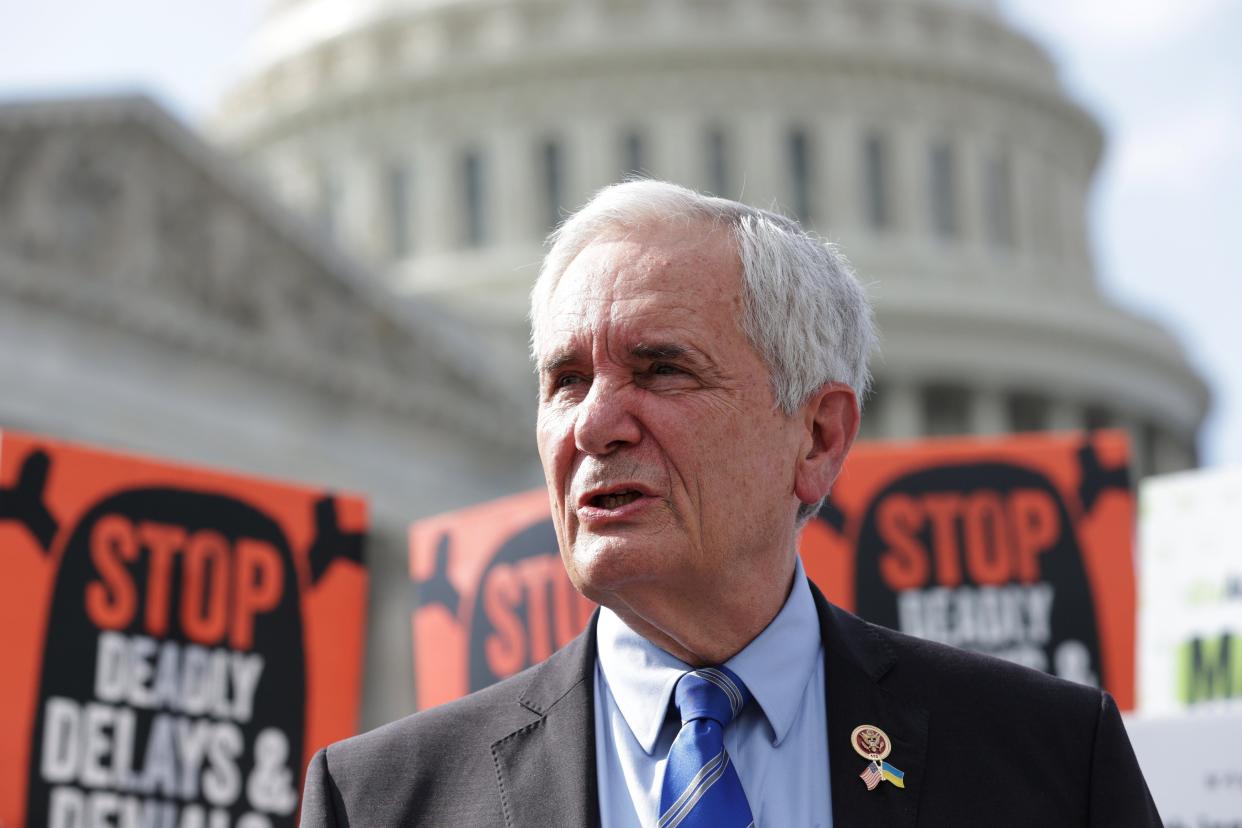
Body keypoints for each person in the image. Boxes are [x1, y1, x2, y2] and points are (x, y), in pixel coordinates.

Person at [300, 180, 1161, 826]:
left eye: (661, 368)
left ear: (818, 437)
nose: (594, 425)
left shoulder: (1046, 760)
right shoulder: (381, 802)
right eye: (565, 380)